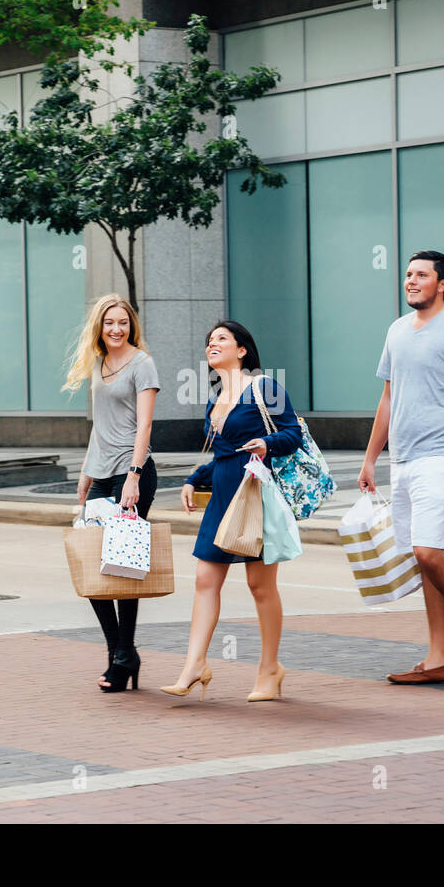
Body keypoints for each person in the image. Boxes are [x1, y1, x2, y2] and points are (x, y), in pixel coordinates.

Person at [358, 250, 444, 685]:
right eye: (408, 275)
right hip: (404, 458)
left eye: (422, 275)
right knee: (425, 555)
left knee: (428, 551)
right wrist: (370, 456)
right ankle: (439, 658)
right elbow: (388, 397)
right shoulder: (397, 330)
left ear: (443, 283)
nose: (412, 281)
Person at [162, 321, 303, 703]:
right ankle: (194, 666)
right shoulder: (215, 397)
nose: (213, 344)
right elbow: (223, 454)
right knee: (205, 579)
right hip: (223, 494)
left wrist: (266, 443)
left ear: (242, 350)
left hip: (253, 494)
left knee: (261, 587)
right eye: (209, 340)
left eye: (222, 338)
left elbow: (293, 434)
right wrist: (194, 478)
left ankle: (270, 669)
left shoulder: (264, 388)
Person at [64, 293, 160, 693]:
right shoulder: (99, 364)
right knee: (92, 566)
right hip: (101, 474)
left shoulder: (143, 364)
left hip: (131, 471)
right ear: (99, 328)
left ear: (131, 325)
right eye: (109, 323)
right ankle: (120, 651)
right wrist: (86, 475)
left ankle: (121, 659)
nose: (116, 329)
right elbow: (99, 426)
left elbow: (144, 427)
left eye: (122, 322)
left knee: (122, 565)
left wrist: (134, 475)